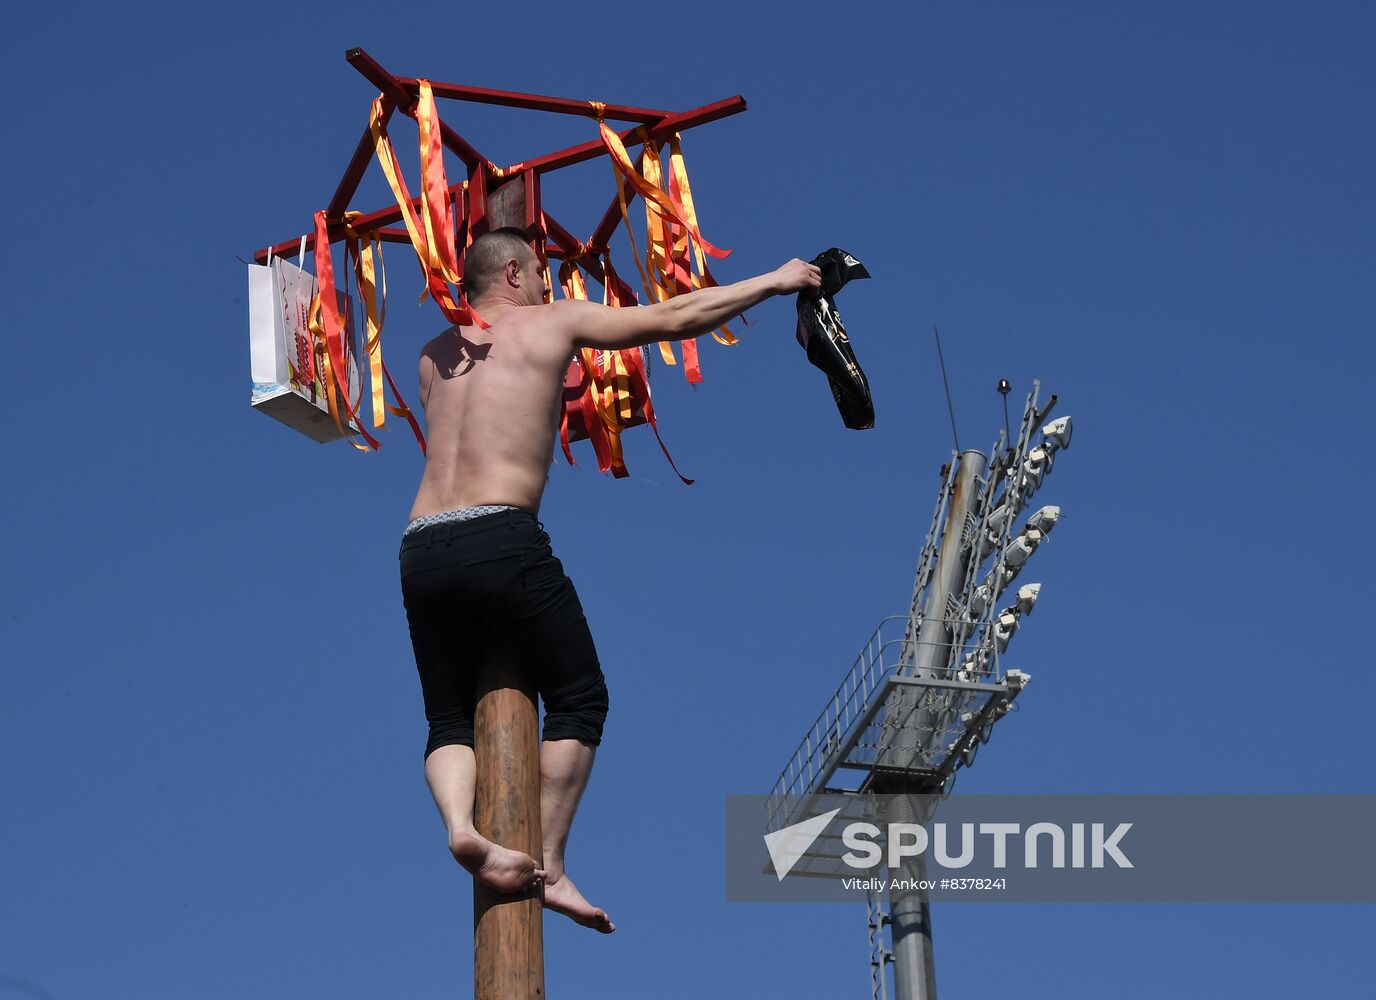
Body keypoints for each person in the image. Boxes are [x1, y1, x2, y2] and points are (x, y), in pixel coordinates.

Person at [398, 227, 822, 933]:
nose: (547, 285)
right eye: (538, 272)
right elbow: (671, 317)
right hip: (499, 534)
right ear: (510, 272)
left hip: (421, 547)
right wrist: (771, 282)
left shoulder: (432, 356)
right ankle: (549, 862)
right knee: (579, 695)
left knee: (446, 716)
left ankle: (458, 826)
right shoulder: (553, 321)